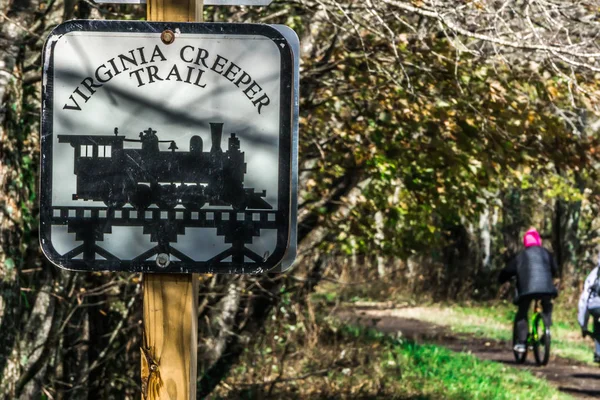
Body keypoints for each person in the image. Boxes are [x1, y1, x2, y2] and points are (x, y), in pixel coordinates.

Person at [498, 227, 558, 353]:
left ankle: (521, 342)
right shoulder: (546, 253)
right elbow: (555, 269)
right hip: (547, 289)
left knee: (522, 311)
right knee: (547, 304)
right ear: (538, 241)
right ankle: (546, 326)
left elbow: (508, 271)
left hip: (527, 290)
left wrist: (501, 280)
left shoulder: (520, 256)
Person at [577, 262, 600, 363]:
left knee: (598, 321)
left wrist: (583, 325)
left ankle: (599, 353)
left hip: (596, 306)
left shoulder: (595, 273)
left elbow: (584, 300)